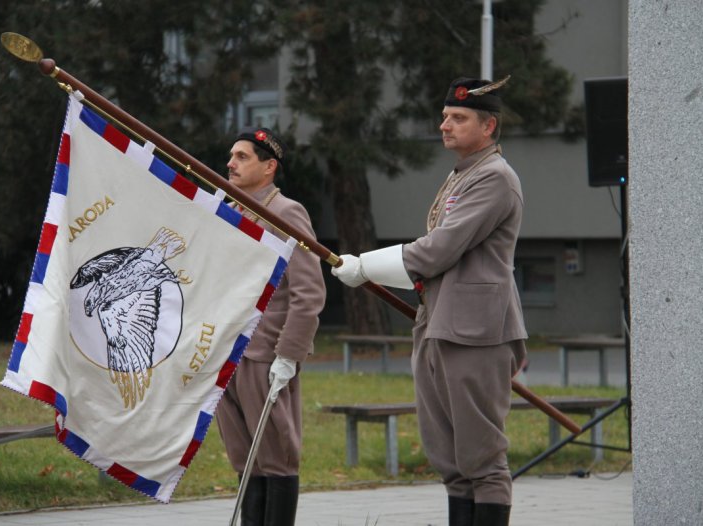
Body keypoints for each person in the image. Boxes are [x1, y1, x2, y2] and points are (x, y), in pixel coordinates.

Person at [331, 77, 527, 526]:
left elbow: (439, 250)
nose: (445, 125)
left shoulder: (496, 178)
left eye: (458, 118)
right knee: (451, 462)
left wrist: (366, 266)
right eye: (444, 117)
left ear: (489, 125)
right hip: (439, 323)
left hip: (477, 332)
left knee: (483, 461)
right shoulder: (464, 174)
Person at [216, 127, 326, 526]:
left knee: (277, 457)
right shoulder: (231, 209)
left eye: (242, 156)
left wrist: (289, 354)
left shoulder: (286, 212)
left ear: (269, 167)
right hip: (229, 354)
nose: (231, 163)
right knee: (247, 460)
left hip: (266, 355)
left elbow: (309, 292)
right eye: (231, 155)